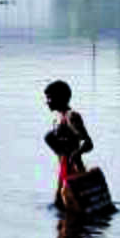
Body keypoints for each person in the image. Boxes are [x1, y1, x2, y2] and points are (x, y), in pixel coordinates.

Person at [43, 80, 93, 210]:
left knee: (73, 213)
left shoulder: (72, 117)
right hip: (64, 170)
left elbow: (88, 143)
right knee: (60, 207)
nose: (47, 101)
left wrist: (76, 153)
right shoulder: (58, 119)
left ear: (59, 98)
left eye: (49, 98)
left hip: (74, 171)